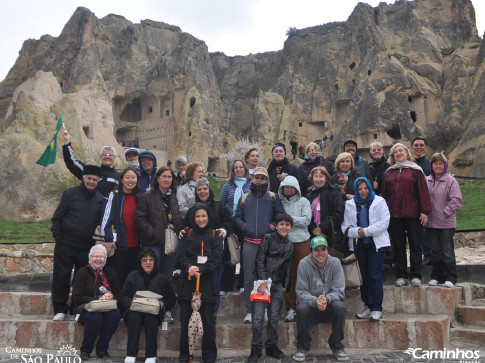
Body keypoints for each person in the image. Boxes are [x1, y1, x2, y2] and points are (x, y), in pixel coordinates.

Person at [51, 165, 105, 321]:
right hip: (65, 243)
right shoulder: (69, 194)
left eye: (95, 179)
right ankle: (60, 309)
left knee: (81, 280)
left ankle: (77, 309)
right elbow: (57, 218)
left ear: (98, 181)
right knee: (61, 277)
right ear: (84, 178)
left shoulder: (100, 199)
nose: (92, 181)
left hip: (86, 247)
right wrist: (59, 237)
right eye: (89, 178)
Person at [234, 167, 285, 324]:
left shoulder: (272, 197)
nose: (259, 181)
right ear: (252, 178)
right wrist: (244, 227)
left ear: (266, 181)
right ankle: (250, 311)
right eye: (257, 178)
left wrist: (270, 228)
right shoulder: (245, 198)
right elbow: (236, 217)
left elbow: (280, 216)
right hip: (249, 244)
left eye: (263, 178)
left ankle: (265, 310)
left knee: (267, 278)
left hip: (267, 244)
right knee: (249, 278)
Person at [176, 203, 223, 363]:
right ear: (192, 218)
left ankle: (209, 356)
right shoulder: (186, 234)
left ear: (208, 217)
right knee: (185, 320)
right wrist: (190, 267)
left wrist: (201, 270)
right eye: (197, 216)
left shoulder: (216, 235)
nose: (201, 219)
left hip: (207, 282)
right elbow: (181, 254)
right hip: (188, 282)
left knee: (208, 320)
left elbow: (217, 257)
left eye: (204, 216)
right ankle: (185, 355)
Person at [136, 166, 182, 323]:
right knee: (151, 277)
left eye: (169, 177)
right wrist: (154, 234)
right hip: (153, 244)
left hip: (169, 245)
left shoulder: (173, 197)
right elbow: (140, 220)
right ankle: (149, 310)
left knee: (166, 278)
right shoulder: (147, 196)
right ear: (158, 178)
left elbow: (176, 219)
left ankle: (165, 310)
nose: (167, 179)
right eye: (164, 176)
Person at [381, 143, 431, 287]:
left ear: (407, 153)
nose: (398, 153)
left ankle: (416, 275)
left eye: (401, 150)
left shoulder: (415, 170)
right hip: (394, 216)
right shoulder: (389, 172)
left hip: (413, 214)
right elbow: (384, 195)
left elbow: (423, 191)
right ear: (392, 156)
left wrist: (425, 211)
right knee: (399, 246)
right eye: (395, 152)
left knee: (416, 245)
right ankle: (401, 275)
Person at [341, 177, 391, 321]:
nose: (363, 191)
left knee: (374, 275)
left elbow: (384, 222)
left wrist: (366, 231)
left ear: (370, 188)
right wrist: (357, 232)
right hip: (359, 245)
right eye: (360, 189)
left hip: (376, 244)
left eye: (366, 188)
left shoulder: (379, 201)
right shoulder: (350, 204)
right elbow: (345, 226)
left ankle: (376, 307)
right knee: (363, 276)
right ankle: (367, 305)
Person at [292, 236, 348, 362]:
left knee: (340, 307)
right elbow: (301, 292)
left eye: (323, 249)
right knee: (301, 308)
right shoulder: (303, 264)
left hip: (329, 306)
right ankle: (303, 347)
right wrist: (315, 300)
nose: (320, 253)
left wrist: (326, 299)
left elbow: (339, 290)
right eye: (316, 250)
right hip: (311, 307)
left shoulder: (335, 263)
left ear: (327, 250)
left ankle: (337, 345)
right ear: (311, 252)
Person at [182, 178, 233, 317]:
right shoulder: (192, 209)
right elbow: (185, 225)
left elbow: (229, 222)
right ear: (196, 192)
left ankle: (212, 311)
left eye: (205, 188)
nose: (202, 192)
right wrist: (182, 230)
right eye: (199, 189)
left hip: (216, 251)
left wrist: (224, 230)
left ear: (209, 189)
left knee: (214, 283)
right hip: (196, 253)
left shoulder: (219, 206)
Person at [249, 213, 294, 362]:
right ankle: (255, 348)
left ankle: (271, 345)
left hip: (277, 285)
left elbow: (288, 267)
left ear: (291, 228)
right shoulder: (268, 238)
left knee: (274, 317)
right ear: (276, 225)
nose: (284, 227)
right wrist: (262, 280)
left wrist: (285, 286)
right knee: (258, 317)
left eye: (287, 225)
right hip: (263, 283)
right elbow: (260, 259)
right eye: (281, 224)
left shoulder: (290, 246)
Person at [119, 248, 176, 363]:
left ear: (155, 262)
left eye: (151, 259)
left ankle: (151, 355)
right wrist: (135, 304)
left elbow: (171, 298)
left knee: (150, 318)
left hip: (153, 311)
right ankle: (131, 354)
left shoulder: (162, 278)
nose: (148, 262)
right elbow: (123, 296)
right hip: (134, 310)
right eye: (144, 260)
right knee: (135, 317)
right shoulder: (132, 276)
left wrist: (161, 305)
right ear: (140, 262)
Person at [72, 245, 121, 360]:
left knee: (115, 314)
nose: (98, 259)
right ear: (90, 257)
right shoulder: (82, 273)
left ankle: (102, 349)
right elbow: (78, 297)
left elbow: (119, 294)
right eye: (95, 256)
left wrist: (111, 296)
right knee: (96, 316)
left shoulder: (111, 272)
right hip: (87, 308)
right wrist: (98, 300)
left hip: (107, 307)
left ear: (105, 259)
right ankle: (86, 350)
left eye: (101, 257)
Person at [277, 176, 311, 323]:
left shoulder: (304, 202)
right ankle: (290, 307)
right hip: (285, 242)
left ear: (296, 188)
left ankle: (304, 305)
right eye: (286, 187)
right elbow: (278, 220)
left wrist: (289, 219)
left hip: (302, 241)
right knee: (288, 275)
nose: (289, 190)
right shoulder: (280, 203)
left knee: (302, 273)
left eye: (291, 187)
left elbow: (306, 220)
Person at [426, 153, 463, 288]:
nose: (438, 166)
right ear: (432, 166)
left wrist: (445, 212)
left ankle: (450, 277)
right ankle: (437, 276)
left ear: (445, 165)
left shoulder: (451, 181)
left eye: (440, 163)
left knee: (447, 252)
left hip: (446, 223)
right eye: (435, 163)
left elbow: (457, 200)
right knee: (435, 252)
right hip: (431, 223)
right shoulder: (427, 180)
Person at [101, 167, 141, 287]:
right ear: (122, 180)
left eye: (133, 177)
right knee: (117, 278)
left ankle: (127, 304)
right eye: (127, 177)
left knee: (131, 279)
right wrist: (108, 238)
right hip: (119, 245)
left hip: (136, 246)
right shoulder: (113, 195)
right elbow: (105, 218)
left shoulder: (139, 197)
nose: (130, 180)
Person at [220, 159, 252, 294]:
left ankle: (242, 284)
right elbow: (221, 204)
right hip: (231, 223)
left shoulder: (250, 185)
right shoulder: (228, 186)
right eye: (235, 168)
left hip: (246, 223)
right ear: (232, 171)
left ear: (245, 169)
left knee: (246, 254)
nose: (238, 169)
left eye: (241, 167)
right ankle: (226, 286)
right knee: (230, 254)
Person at [61, 128, 119, 197]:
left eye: (110, 155)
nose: (107, 157)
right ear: (100, 157)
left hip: (110, 207)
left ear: (114, 157)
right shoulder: (91, 172)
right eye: (104, 155)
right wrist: (67, 142)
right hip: (91, 206)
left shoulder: (119, 177)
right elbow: (72, 163)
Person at [307, 166, 346, 254]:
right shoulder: (310, 195)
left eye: (321, 176)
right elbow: (308, 216)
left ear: (326, 178)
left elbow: (338, 214)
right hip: (315, 236)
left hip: (332, 235)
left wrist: (321, 228)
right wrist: (315, 230)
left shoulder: (334, 193)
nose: (318, 179)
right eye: (315, 176)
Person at [412, 136, 432, 266]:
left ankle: (430, 255)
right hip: (414, 202)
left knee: (428, 230)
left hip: (428, 200)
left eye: (421, 145)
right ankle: (423, 256)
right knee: (417, 232)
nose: (419, 147)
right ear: (412, 148)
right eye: (416, 145)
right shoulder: (410, 163)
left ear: (425, 147)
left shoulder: (430, 163)